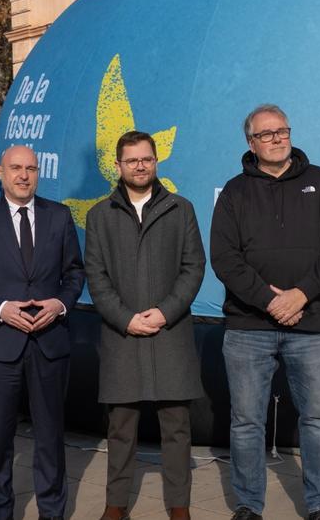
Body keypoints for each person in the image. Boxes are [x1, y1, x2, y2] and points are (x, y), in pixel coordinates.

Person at [209, 105, 320, 520]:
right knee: (246, 423)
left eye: (283, 131)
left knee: (318, 420)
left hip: (310, 326)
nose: (277, 138)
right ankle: (249, 505)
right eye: (267, 134)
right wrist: (270, 300)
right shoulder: (235, 193)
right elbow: (225, 258)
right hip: (247, 327)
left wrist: (300, 295)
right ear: (251, 143)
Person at [0, 145, 85, 520]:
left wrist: (58, 304)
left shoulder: (59, 217)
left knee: (50, 438)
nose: (24, 175)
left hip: (50, 343)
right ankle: (2, 511)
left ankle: (52, 512)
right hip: (0, 346)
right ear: (0, 172)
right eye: (16, 168)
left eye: (31, 168)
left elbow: (75, 273)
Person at [84, 131, 205, 520]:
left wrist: (165, 312)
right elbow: (96, 276)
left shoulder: (180, 209)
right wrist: (126, 318)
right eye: (132, 160)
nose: (140, 166)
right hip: (123, 336)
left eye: (147, 159)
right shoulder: (99, 216)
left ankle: (179, 507)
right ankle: (115, 505)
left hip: (170, 333)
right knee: (120, 429)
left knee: (176, 428)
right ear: (118, 165)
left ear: (156, 162)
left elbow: (193, 268)